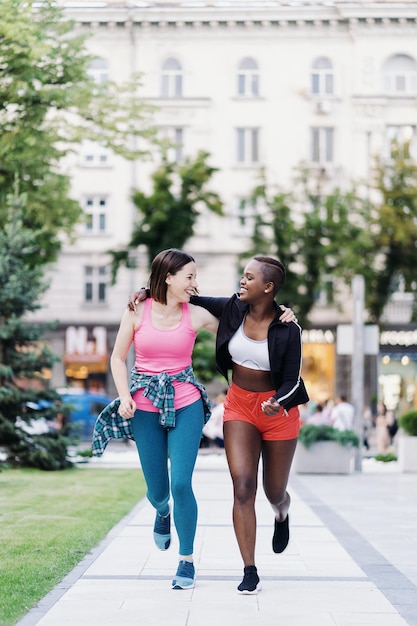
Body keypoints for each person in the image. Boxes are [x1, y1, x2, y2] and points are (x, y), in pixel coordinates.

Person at [93, 249, 295, 592]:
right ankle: (162, 511)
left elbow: (245, 320)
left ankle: (185, 561)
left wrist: (281, 314)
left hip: (186, 402)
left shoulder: (197, 314)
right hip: (144, 405)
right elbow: (117, 357)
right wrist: (125, 395)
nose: (195, 283)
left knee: (181, 484)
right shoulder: (135, 312)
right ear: (168, 278)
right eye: (189, 277)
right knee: (158, 492)